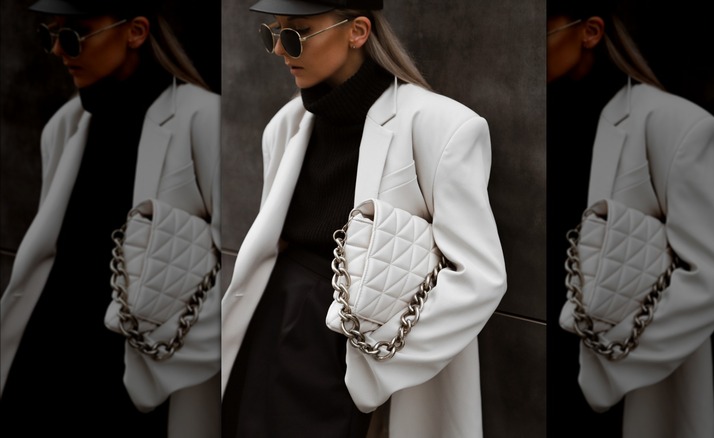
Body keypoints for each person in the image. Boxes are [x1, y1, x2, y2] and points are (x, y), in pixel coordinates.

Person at [220, 0, 507, 436]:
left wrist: (371, 368)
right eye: (272, 34)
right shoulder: (286, 124)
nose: (280, 50)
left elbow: (480, 276)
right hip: (271, 320)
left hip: (353, 342)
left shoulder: (442, 126)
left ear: (357, 32)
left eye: (295, 35)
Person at [0, 1, 221, 436]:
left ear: (135, 31)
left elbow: (229, 257)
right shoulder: (65, 126)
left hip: (132, 373)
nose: (60, 52)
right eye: (51, 36)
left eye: (74, 36)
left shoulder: (201, 116)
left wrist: (170, 354)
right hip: (45, 360)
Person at [547, 1, 714, 437]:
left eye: (543, 33)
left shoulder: (675, 124)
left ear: (590, 32)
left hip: (620, 380)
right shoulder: (541, 115)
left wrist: (608, 365)